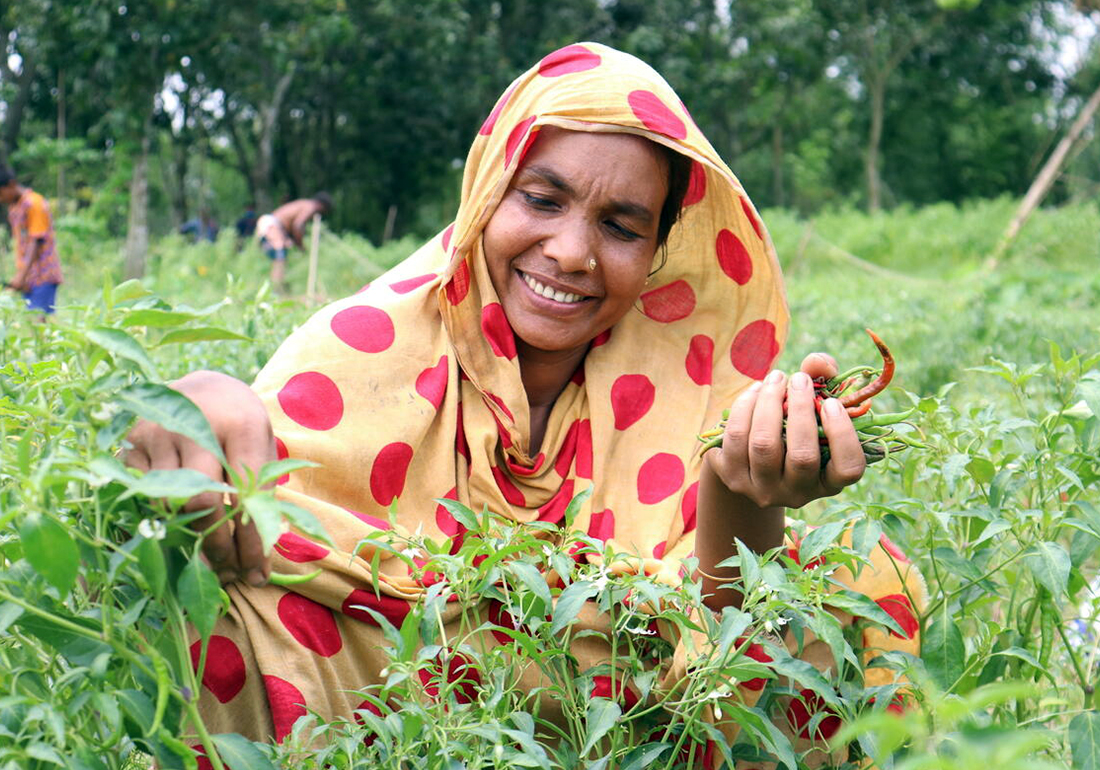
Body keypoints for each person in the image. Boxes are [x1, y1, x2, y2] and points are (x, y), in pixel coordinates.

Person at [124, 44, 924, 762]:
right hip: (395, 695)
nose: (571, 253)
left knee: (853, 575)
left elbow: (725, 636)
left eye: (620, 226)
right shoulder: (368, 347)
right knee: (199, 582)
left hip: (630, 730)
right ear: (484, 195)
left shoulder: (687, 384)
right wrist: (201, 407)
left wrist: (739, 490)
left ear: (655, 254)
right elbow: (255, 488)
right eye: (541, 199)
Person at [0, 166, 63, 318]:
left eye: (0, 193)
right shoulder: (15, 206)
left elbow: (36, 241)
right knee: (31, 325)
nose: (0, 199)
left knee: (40, 323)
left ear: (12, 184)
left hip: (43, 275)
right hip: (29, 278)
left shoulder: (34, 203)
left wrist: (21, 276)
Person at [254, 193, 333, 292]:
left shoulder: (304, 203)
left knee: (280, 258)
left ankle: (279, 288)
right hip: (273, 224)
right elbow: (298, 225)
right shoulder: (310, 206)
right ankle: (276, 290)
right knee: (279, 258)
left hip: (274, 226)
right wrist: (300, 245)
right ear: (321, 205)